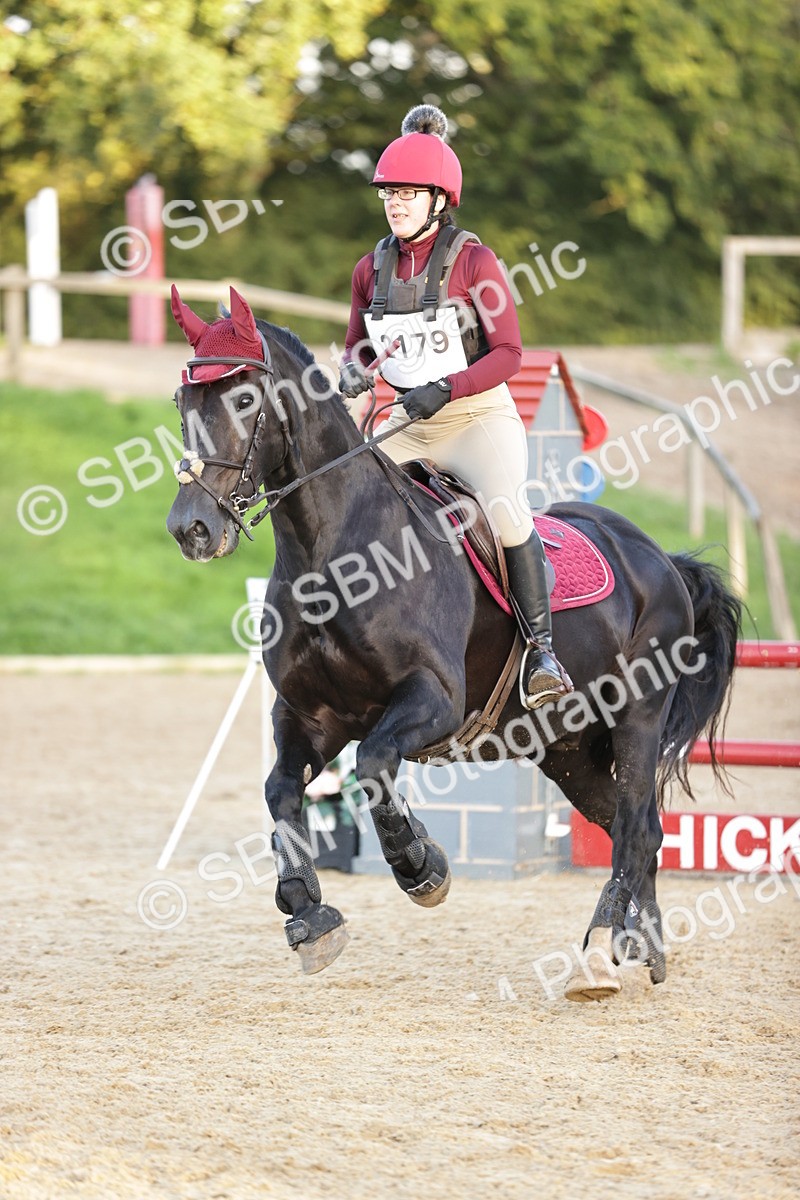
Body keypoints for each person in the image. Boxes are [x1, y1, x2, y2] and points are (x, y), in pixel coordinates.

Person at [339, 103, 571, 708]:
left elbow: (510, 354)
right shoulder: (372, 268)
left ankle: (542, 651)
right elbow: (358, 346)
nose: (395, 203)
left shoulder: (475, 261)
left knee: (506, 510)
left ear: (439, 199)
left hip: (475, 418)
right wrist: (354, 373)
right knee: (347, 498)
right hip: (407, 425)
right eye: (389, 193)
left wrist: (446, 388)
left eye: (409, 193)